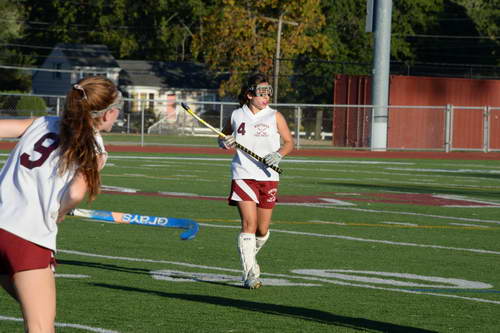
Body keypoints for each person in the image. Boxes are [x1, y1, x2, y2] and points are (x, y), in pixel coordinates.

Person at [0, 76, 122, 332]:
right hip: (26, 234)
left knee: (36, 307)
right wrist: (61, 210)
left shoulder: (42, 122)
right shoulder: (94, 146)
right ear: (109, 113)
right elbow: (76, 192)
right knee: (41, 326)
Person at [218, 73, 294, 289]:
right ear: (249, 94)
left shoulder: (275, 116)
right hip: (243, 173)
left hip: (268, 177)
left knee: (262, 230)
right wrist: (225, 142)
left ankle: (249, 254)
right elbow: (223, 136)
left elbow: (289, 142)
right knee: (248, 225)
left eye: (268, 93)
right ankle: (250, 273)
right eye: (261, 93)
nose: (266, 97)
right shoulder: (236, 115)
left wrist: (279, 154)